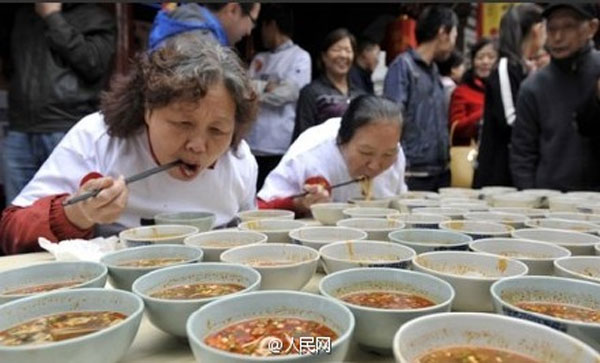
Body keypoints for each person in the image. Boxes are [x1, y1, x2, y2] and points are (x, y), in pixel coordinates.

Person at [0, 34, 259, 255]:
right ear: (148, 110)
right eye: (183, 124)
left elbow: (248, 236)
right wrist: (77, 213)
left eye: (217, 130)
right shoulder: (98, 139)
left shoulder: (239, 160)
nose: (198, 146)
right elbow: (11, 231)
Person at [3, 3, 116, 205]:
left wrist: (52, 16)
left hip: (67, 127)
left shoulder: (96, 16)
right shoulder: (23, 15)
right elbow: (12, 65)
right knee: (17, 213)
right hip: (19, 129)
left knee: (70, 210)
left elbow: (93, 63)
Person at [258, 95, 407, 216]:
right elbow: (259, 209)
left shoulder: (396, 151)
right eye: (366, 152)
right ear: (342, 140)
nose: (375, 165)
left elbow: (399, 201)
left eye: (387, 154)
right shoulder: (309, 155)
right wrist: (299, 204)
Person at [511, 4, 600, 191]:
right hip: (552, 204)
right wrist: (531, 200)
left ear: (592, 28)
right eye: (552, 29)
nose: (558, 37)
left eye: (569, 27)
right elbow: (523, 154)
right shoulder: (533, 87)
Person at [383, 5, 458, 192]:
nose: (454, 43)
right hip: (413, 173)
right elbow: (392, 119)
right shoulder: (402, 67)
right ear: (443, 32)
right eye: (455, 35)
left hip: (440, 172)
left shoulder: (433, 70)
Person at [472, 4, 544, 188]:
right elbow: (509, 120)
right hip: (499, 174)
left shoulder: (523, 68)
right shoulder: (505, 67)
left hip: (514, 170)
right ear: (536, 30)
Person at [246, 4, 311, 190]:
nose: (260, 33)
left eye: (262, 27)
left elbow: (289, 93)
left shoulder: (300, 56)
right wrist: (268, 86)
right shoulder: (260, 58)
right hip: (252, 143)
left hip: (279, 144)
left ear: (271, 25)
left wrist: (258, 89)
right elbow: (244, 89)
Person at [292, 28, 365, 141]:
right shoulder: (311, 93)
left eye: (348, 50)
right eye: (337, 49)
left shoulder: (360, 95)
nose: (343, 55)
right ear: (324, 56)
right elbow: (302, 136)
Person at [148, 2, 260, 50]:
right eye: (252, 21)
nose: (249, 31)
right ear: (232, 10)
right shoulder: (204, 45)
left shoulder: (183, 24)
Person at [449, 38, 498, 146]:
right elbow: (456, 128)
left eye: (491, 57)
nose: (485, 62)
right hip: (470, 156)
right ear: (472, 62)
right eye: (480, 57)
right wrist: (485, 113)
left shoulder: (504, 91)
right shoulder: (461, 92)